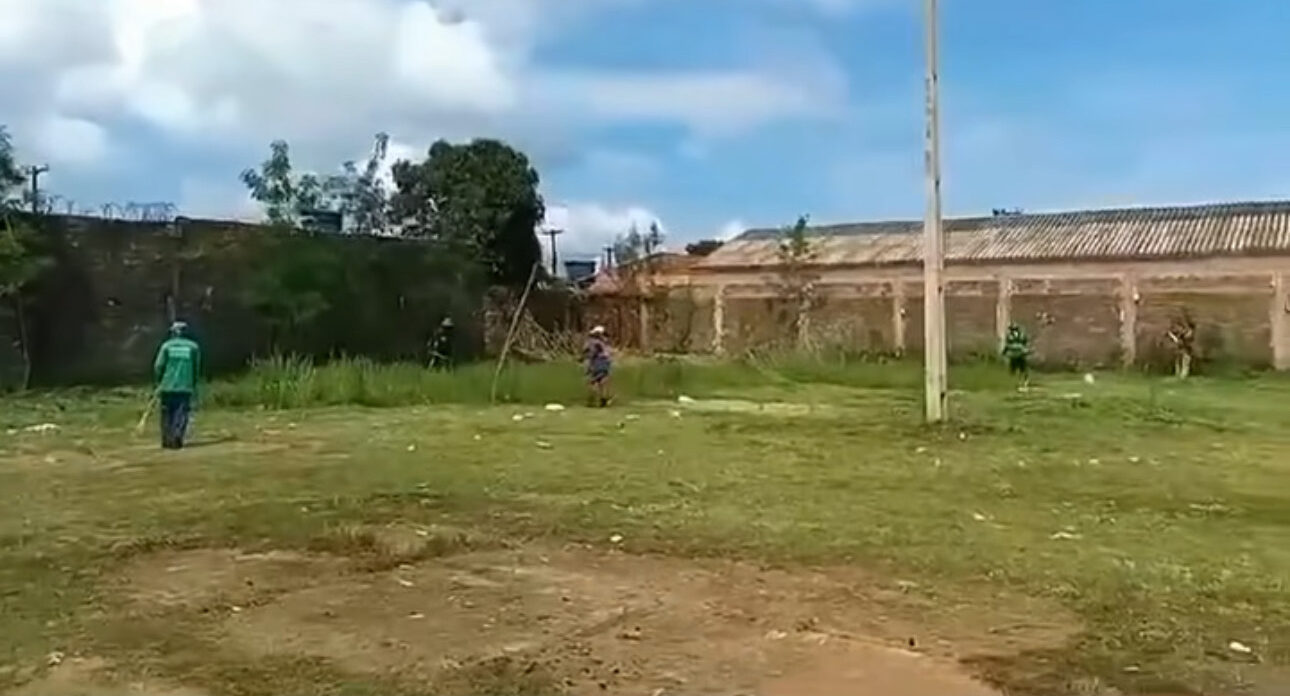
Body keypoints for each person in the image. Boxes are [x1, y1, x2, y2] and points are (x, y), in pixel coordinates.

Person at [153, 320, 201, 449]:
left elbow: (158, 366)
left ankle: (166, 440)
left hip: (167, 385)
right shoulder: (193, 347)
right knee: (181, 413)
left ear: (173, 332)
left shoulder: (166, 346)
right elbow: (196, 368)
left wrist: (158, 381)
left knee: (166, 413)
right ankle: (176, 438)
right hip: (185, 386)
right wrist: (194, 384)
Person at [583, 325, 612, 407]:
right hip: (605, 362)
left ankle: (592, 400)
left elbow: (591, 353)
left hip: (597, 362)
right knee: (603, 382)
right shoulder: (605, 342)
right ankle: (603, 399)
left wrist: (586, 359)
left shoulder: (593, 342)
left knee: (593, 381)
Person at [1001, 323, 1031, 387]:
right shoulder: (1009, 336)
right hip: (1014, 355)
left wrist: (1027, 350)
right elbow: (1007, 345)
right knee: (1013, 369)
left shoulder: (1021, 335)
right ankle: (1015, 382)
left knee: (1023, 369)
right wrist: (1004, 352)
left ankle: (1025, 381)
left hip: (1020, 355)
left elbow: (1026, 343)